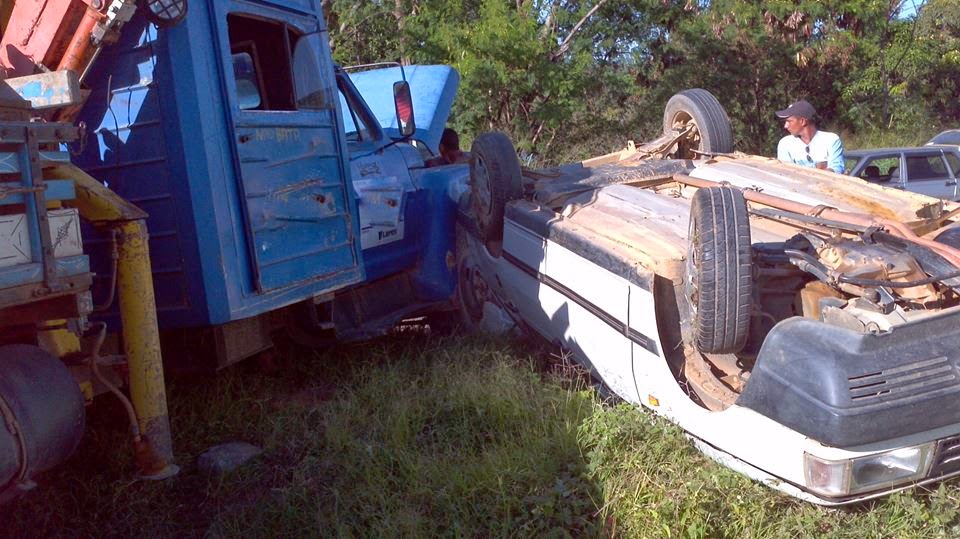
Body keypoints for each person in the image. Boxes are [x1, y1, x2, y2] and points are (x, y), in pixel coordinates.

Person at [775, 99, 845, 174]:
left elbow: (837, 169)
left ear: (802, 121)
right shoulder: (785, 144)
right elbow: (786, 173)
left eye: (789, 121)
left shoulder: (831, 140)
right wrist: (821, 170)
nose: (785, 126)